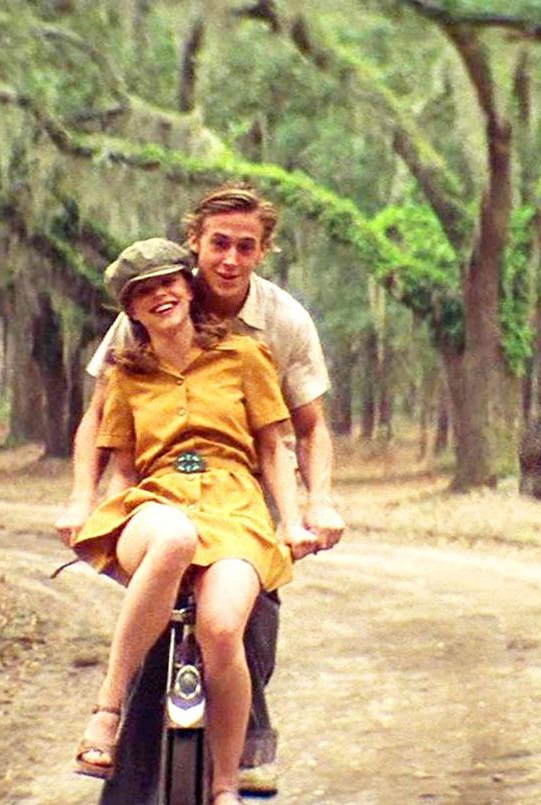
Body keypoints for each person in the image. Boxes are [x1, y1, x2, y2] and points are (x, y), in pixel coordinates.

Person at [56, 183, 345, 799]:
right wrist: (85, 500)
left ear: (264, 251)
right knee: (159, 604)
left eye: (246, 246)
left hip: (242, 490)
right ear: (195, 247)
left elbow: (301, 430)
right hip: (163, 497)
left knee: (243, 619)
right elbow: (103, 428)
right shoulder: (148, 307)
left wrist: (313, 505)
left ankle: (240, 761)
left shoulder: (273, 328)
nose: (230, 259)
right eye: (219, 244)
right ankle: (123, 760)